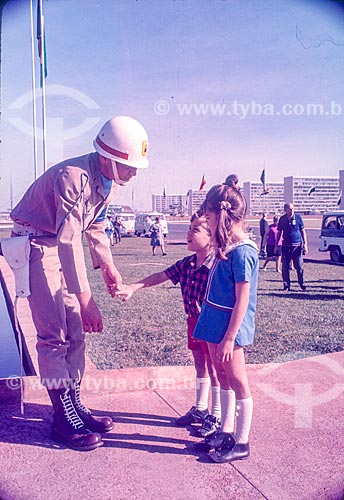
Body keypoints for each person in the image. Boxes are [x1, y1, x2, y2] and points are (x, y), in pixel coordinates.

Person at [9, 115, 149, 451]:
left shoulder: (108, 183)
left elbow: (96, 228)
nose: (134, 172)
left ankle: (74, 405)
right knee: (54, 333)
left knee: (76, 331)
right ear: (108, 158)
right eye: (129, 166)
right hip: (36, 245)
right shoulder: (74, 177)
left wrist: (107, 267)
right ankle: (62, 419)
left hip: (55, 243)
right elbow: (69, 240)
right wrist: (86, 299)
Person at [114, 212, 221, 438]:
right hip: (193, 321)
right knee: (200, 366)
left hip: (211, 325)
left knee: (214, 370)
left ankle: (217, 415)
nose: (189, 233)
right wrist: (134, 287)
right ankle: (201, 409)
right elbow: (161, 276)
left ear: (211, 238)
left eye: (195, 230)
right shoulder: (188, 263)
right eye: (189, 229)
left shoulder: (217, 265)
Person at [193, 178, 259, 464]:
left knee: (238, 380)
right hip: (213, 320)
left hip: (228, 327)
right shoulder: (226, 246)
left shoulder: (243, 251)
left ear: (221, 215)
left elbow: (242, 299)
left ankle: (241, 441)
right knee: (221, 376)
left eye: (208, 216)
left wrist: (230, 337)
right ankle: (225, 431)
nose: (206, 222)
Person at [275, 202, 308, 291]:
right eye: (290, 209)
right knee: (285, 266)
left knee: (299, 266)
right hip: (286, 246)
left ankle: (301, 283)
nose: (292, 210)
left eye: (293, 208)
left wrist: (305, 243)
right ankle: (286, 285)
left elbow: (302, 230)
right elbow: (279, 232)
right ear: (285, 210)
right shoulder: (282, 219)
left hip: (297, 246)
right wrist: (276, 245)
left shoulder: (298, 218)